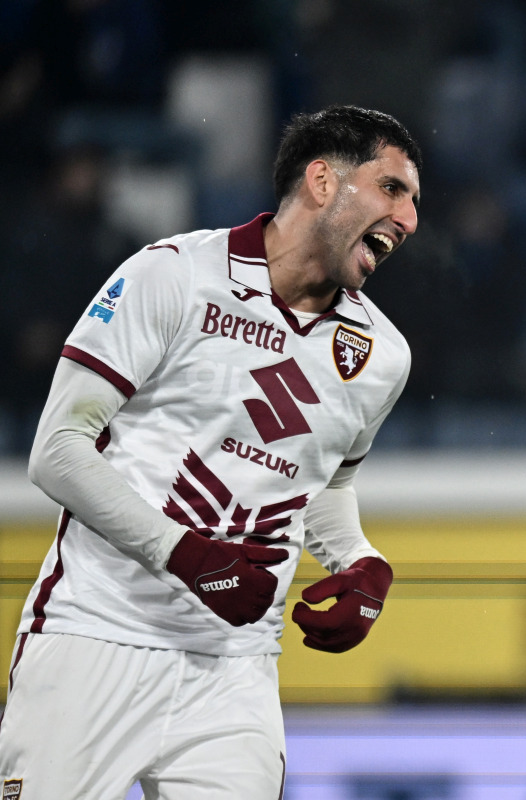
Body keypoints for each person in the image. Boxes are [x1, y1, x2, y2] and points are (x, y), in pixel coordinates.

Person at [0, 105, 421, 798]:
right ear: (322, 181)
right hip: (96, 637)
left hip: (235, 672)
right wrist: (188, 556)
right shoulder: (173, 275)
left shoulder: (381, 356)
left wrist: (361, 562)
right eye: (392, 188)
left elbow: (323, 485)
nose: (408, 219)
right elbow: (58, 450)